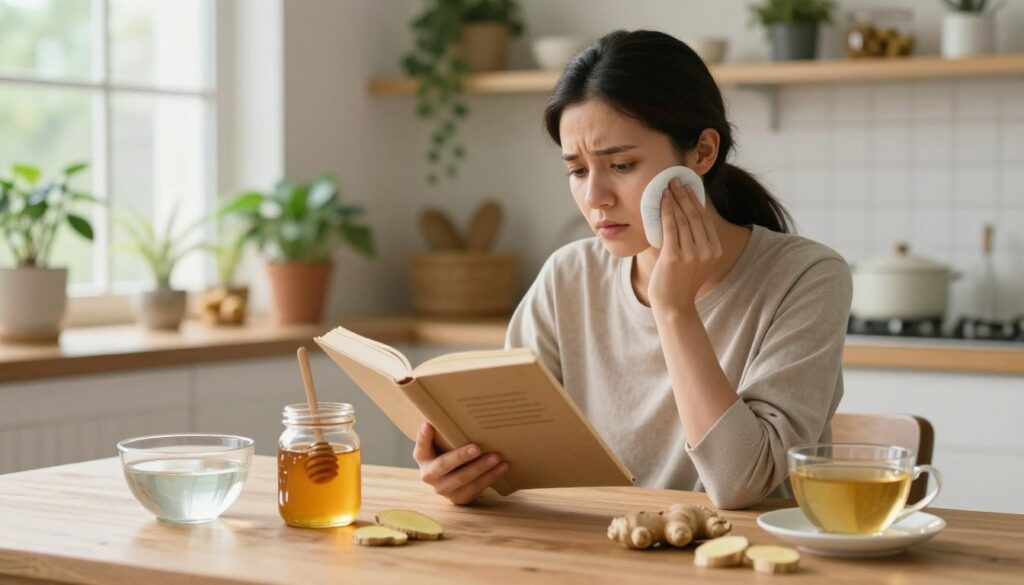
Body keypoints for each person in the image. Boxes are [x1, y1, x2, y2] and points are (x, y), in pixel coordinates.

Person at [412, 29, 853, 509]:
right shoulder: (568, 277)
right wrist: (466, 473)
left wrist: (674, 309)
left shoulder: (807, 277)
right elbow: (517, 463)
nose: (595, 197)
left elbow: (741, 483)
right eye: (577, 171)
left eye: (621, 165)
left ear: (702, 152)